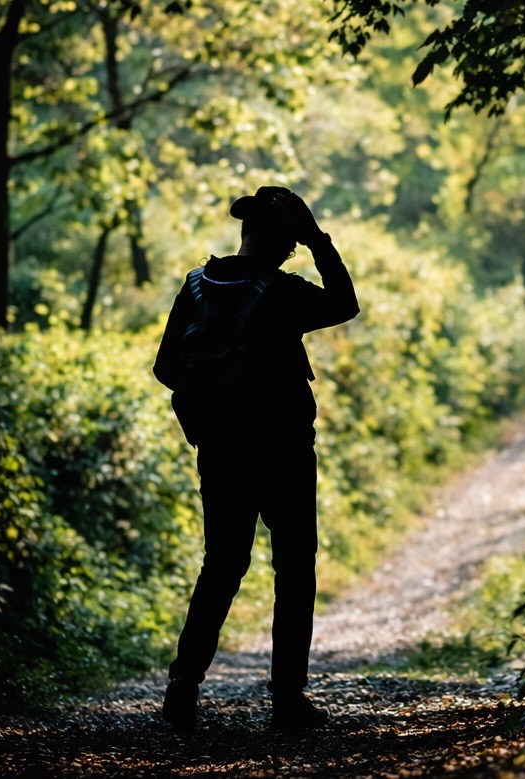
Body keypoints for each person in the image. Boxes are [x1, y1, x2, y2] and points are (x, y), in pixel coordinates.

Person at [152, 186, 359, 730]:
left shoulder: (196, 287)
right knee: (293, 571)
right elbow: (345, 303)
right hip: (285, 451)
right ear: (287, 243)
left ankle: (183, 687)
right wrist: (320, 242)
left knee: (221, 566)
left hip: (220, 452)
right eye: (293, 242)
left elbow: (166, 367)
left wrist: (214, 407)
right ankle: (287, 700)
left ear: (244, 233)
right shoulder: (284, 292)